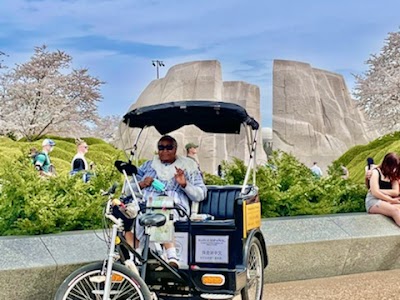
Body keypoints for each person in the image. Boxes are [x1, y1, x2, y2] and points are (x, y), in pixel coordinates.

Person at [125, 135, 207, 268]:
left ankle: (171, 255)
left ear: (175, 149)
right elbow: (127, 189)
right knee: (125, 215)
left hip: (174, 206)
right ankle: (135, 255)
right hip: (145, 205)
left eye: (169, 147)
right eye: (161, 147)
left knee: (161, 207)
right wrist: (142, 184)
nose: (165, 151)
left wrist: (184, 184)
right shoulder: (147, 166)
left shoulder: (188, 167)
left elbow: (201, 194)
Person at [365, 152, 400, 226]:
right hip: (373, 201)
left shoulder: (393, 175)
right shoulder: (376, 172)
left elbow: (395, 192)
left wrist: (379, 190)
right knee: (395, 211)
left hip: (387, 200)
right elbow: (375, 193)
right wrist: (390, 200)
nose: (394, 169)